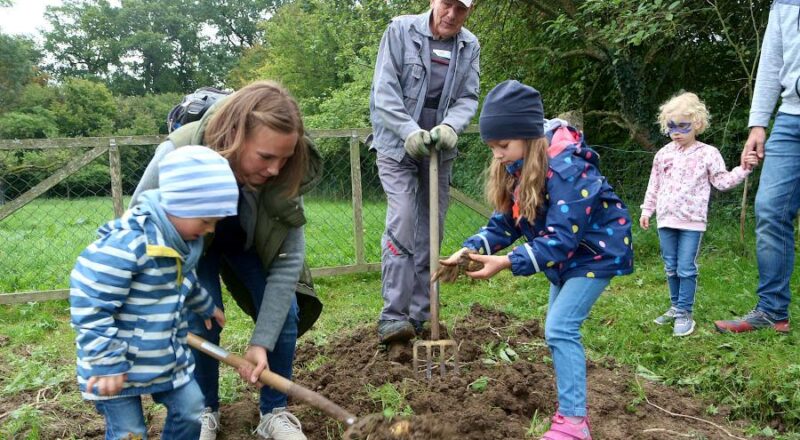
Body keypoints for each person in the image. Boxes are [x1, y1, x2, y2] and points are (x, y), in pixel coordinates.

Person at [440, 80, 634, 440]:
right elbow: (506, 222)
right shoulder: (519, 167)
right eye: (491, 147)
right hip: (564, 258)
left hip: (595, 254)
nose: (497, 154)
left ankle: (575, 424)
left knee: (561, 328)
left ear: (528, 136)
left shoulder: (568, 169)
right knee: (556, 330)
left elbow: (561, 237)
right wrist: (469, 249)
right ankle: (569, 412)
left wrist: (508, 262)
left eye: (503, 145)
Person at [131, 81, 323, 440]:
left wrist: (260, 343)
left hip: (245, 243)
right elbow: (139, 228)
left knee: (285, 311)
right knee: (202, 316)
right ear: (234, 136)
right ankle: (205, 410)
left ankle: (274, 413)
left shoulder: (285, 175)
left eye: (284, 158)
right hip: (192, 243)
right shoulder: (178, 152)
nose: (275, 170)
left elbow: (286, 268)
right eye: (266, 157)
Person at [70, 146, 236, 439]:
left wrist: (204, 305)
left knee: (192, 410)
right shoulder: (128, 243)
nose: (210, 230)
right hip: (113, 365)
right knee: (130, 433)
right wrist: (107, 363)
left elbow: (184, 280)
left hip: (164, 356)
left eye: (215, 222)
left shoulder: (182, 242)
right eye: (206, 220)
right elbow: (91, 304)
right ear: (179, 205)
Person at [369, 0, 480, 343]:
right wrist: (408, 131)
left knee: (432, 229)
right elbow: (384, 92)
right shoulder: (400, 30)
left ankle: (421, 314)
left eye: (460, 10)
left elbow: (468, 97)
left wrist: (451, 126)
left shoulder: (469, 46)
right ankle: (393, 315)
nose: (451, 14)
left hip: (438, 150)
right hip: (397, 146)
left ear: (469, 11)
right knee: (403, 219)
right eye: (447, 4)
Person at [640, 92, 757, 337]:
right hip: (665, 220)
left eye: (683, 126)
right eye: (671, 126)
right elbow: (654, 184)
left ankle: (685, 312)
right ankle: (674, 306)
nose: (676, 131)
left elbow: (722, 181)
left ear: (697, 124)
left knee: (686, 268)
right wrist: (647, 210)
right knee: (670, 267)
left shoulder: (708, 153)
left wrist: (743, 169)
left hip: (692, 223)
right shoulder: (663, 154)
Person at [714, 0, 800, 334]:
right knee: (769, 209)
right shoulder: (785, 3)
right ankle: (772, 311)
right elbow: (770, 64)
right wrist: (758, 124)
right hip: (791, 118)